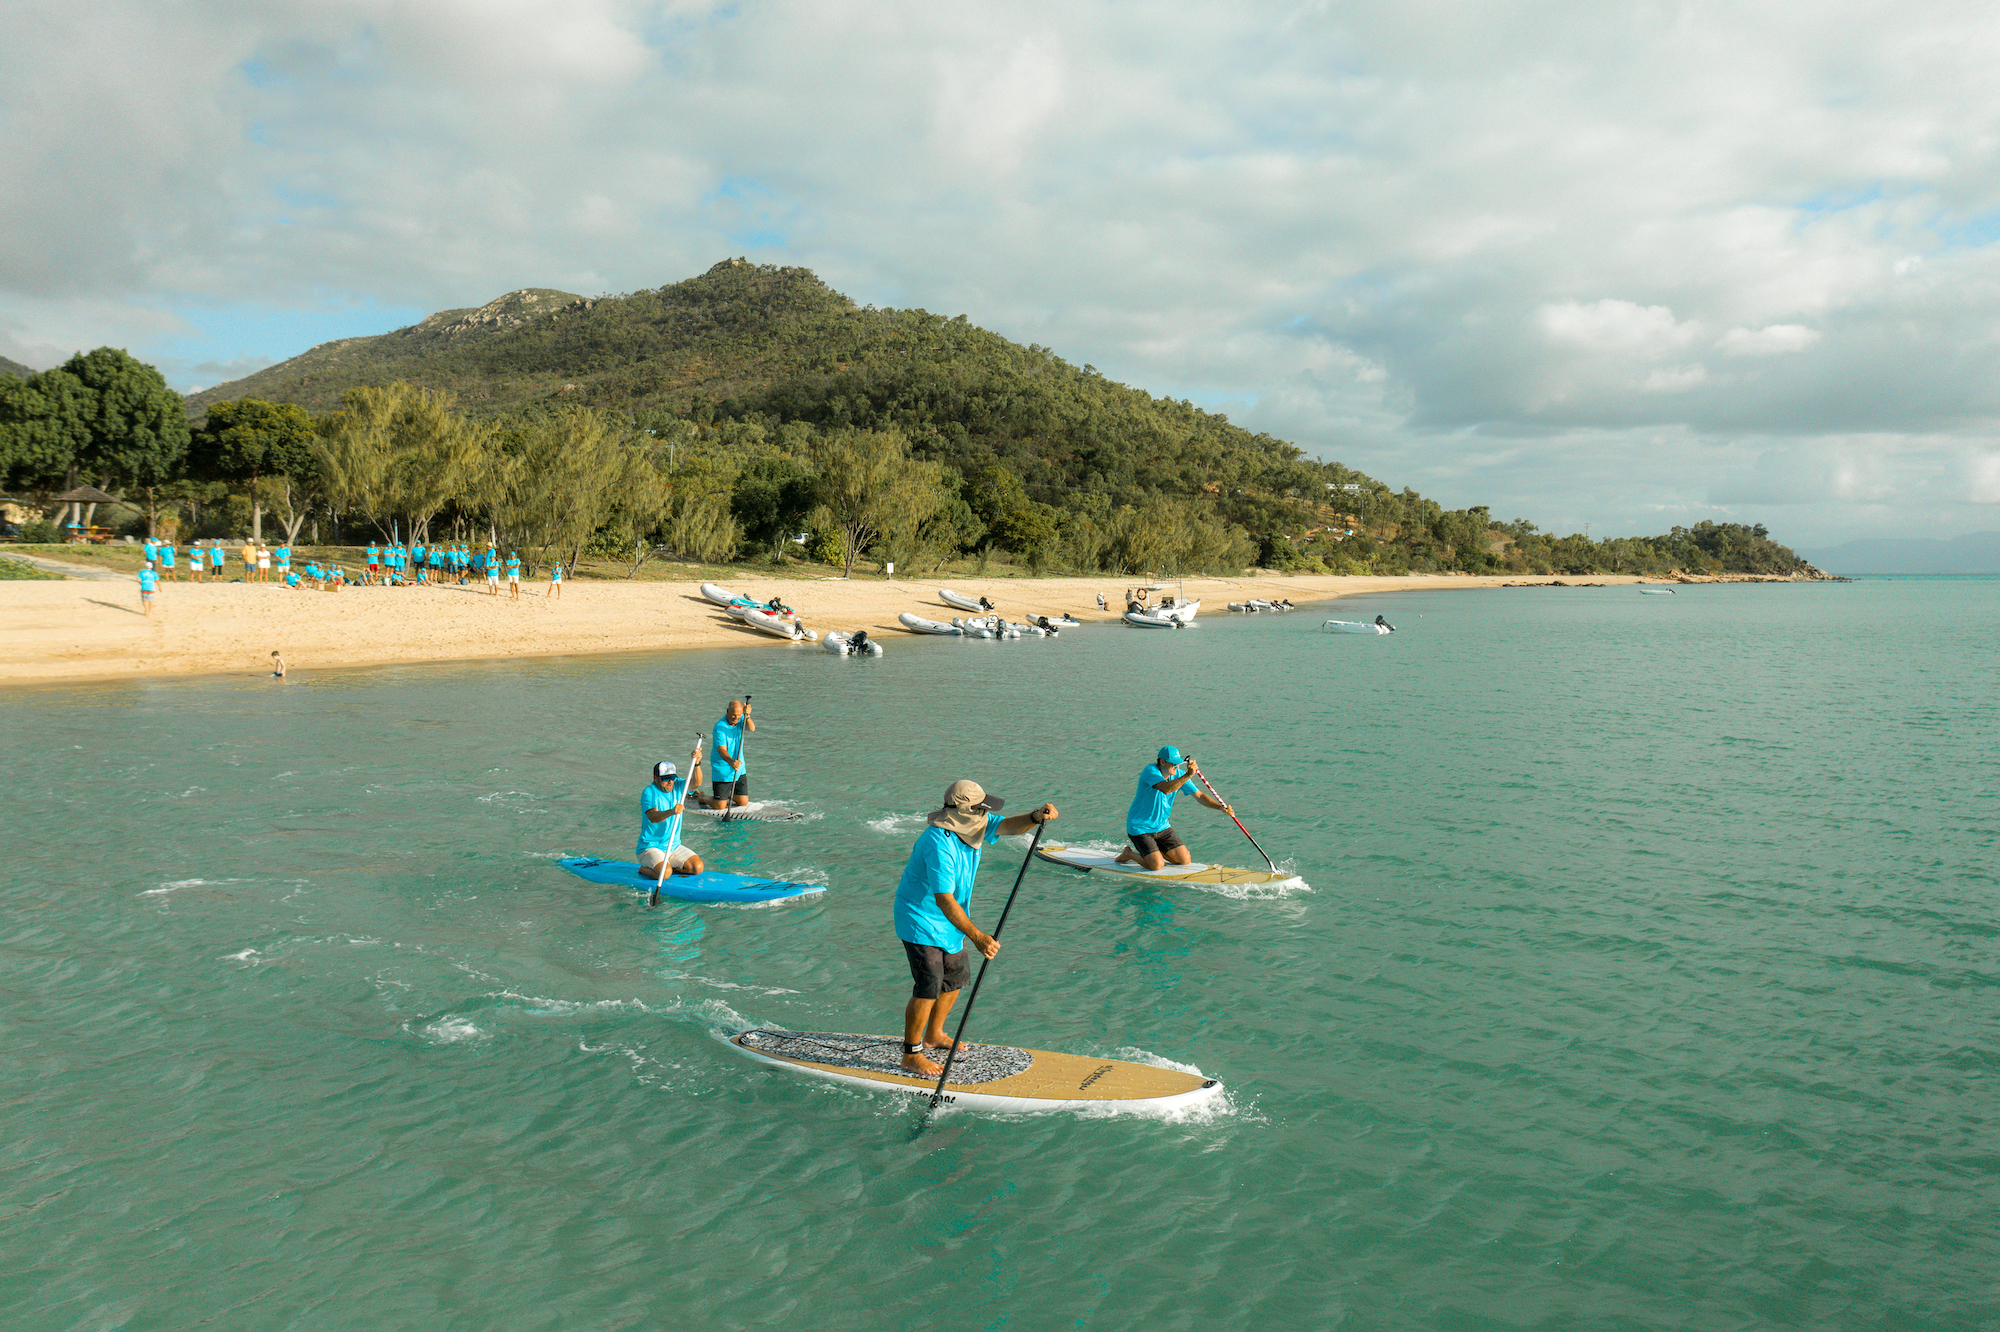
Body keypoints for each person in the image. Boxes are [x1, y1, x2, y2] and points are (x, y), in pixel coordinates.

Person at [892, 780, 1058, 1075]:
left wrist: (1034, 817)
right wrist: (979, 936)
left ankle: (934, 1034)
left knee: (955, 978)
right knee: (929, 983)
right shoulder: (938, 842)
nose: (987, 813)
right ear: (967, 810)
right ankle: (911, 1054)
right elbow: (944, 899)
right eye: (982, 807)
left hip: (950, 919)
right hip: (920, 916)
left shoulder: (975, 822)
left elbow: (1008, 825)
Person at [1112, 745, 1234, 871]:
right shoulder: (1150, 771)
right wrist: (1188, 775)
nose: (1177, 767)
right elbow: (1166, 788)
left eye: (1179, 764)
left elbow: (1200, 796)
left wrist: (1220, 807)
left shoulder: (1179, 775)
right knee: (1157, 865)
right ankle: (1129, 854)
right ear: (1163, 762)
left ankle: (1154, 852)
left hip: (1162, 826)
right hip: (1140, 827)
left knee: (1184, 860)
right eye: (1174, 764)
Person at [637, 747, 706, 880]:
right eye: (666, 779)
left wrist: (697, 763)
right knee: (665, 874)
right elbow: (653, 817)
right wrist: (672, 811)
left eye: (672, 778)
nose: (670, 782)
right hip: (650, 847)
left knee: (697, 867)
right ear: (655, 778)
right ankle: (644, 869)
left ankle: (666, 867)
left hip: (673, 846)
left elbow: (696, 782)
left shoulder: (678, 785)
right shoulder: (649, 793)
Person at [703, 699, 755, 808]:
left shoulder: (741, 719)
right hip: (723, 767)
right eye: (733, 715)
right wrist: (731, 762)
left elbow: (752, 728)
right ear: (727, 711)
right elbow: (721, 750)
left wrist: (747, 716)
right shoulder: (719, 727)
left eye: (739, 715)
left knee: (743, 802)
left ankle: (727, 794)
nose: (736, 718)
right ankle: (703, 798)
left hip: (739, 767)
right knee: (720, 805)